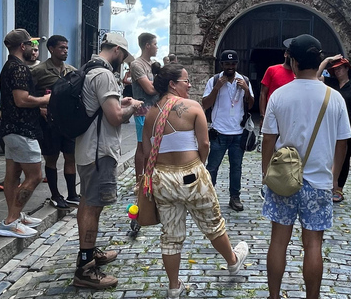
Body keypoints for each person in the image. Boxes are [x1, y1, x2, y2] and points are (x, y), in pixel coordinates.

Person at [143, 64, 249, 298]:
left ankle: (173, 286)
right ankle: (232, 261)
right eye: (186, 81)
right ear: (173, 84)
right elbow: (204, 144)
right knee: (213, 224)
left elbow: (147, 151)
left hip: (162, 177)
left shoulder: (151, 113)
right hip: (191, 174)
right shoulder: (192, 107)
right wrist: (199, 164)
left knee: (170, 235)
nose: (189, 85)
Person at [261, 34, 351, 299]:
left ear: (294, 61)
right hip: (319, 182)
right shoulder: (333, 97)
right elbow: (342, 143)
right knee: (313, 244)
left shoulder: (279, 95)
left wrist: (266, 172)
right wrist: (334, 179)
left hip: (284, 180)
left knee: (278, 241)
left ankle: (274, 296)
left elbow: (268, 139)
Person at [73, 32, 142, 289]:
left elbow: (100, 107)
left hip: (88, 149)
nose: (123, 62)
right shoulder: (104, 75)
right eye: (122, 56)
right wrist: (132, 107)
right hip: (99, 152)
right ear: (115, 50)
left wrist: (119, 101)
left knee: (88, 203)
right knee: (92, 205)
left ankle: (89, 254)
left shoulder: (89, 69)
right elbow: (115, 118)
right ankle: (85, 270)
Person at [0, 29, 51, 238]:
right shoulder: (19, 69)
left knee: (12, 175)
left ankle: (15, 216)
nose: (33, 49)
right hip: (21, 130)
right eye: (31, 45)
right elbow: (21, 100)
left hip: (11, 128)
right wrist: (44, 101)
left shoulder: (9, 66)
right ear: (23, 46)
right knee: (35, 176)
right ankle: (11, 221)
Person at [30, 35, 79, 209]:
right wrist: (39, 107)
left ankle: (72, 194)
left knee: (70, 157)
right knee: (51, 158)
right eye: (61, 48)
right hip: (49, 123)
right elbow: (27, 94)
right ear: (51, 49)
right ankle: (55, 195)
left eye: (66, 48)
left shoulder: (71, 71)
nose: (65, 51)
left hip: (68, 122)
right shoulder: (39, 71)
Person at [202, 50, 254, 212]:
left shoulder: (243, 80)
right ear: (222, 65)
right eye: (227, 64)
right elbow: (205, 104)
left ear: (236, 64)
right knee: (212, 167)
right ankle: (209, 197)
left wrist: (246, 89)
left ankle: (234, 197)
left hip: (238, 133)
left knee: (236, 167)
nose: (230, 66)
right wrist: (217, 88)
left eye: (233, 64)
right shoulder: (214, 80)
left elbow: (251, 104)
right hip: (219, 132)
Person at [324, 57, 351, 205]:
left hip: (349, 126)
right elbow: (315, 76)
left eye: (340, 68)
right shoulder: (331, 84)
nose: (337, 71)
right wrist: (327, 61)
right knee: (329, 156)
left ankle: (339, 188)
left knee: (344, 157)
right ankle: (328, 184)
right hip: (330, 125)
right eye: (335, 69)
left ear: (347, 69)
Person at [131, 33, 160, 186]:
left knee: (153, 146)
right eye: (155, 44)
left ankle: (148, 178)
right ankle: (138, 180)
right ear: (147, 45)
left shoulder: (152, 64)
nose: (157, 47)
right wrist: (161, 85)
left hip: (154, 110)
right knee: (142, 146)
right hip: (143, 110)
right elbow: (149, 89)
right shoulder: (137, 65)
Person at [259, 39, 295, 118]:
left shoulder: (299, 74)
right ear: (285, 54)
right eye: (290, 54)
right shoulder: (272, 70)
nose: (292, 57)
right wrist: (262, 115)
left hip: (290, 115)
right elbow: (263, 93)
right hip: (272, 114)